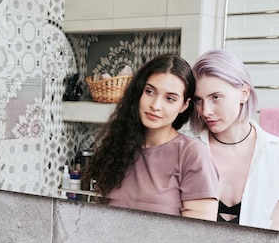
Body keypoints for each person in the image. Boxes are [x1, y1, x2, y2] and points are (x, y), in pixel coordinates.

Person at [83, 54, 219, 221]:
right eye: (150, 92)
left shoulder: (192, 154)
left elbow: (200, 235)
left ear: (184, 105)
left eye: (170, 99)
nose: (155, 105)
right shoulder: (118, 148)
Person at [191, 49, 279, 230]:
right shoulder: (187, 149)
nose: (205, 111)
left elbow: (277, 229)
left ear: (244, 93)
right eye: (198, 100)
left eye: (216, 97)